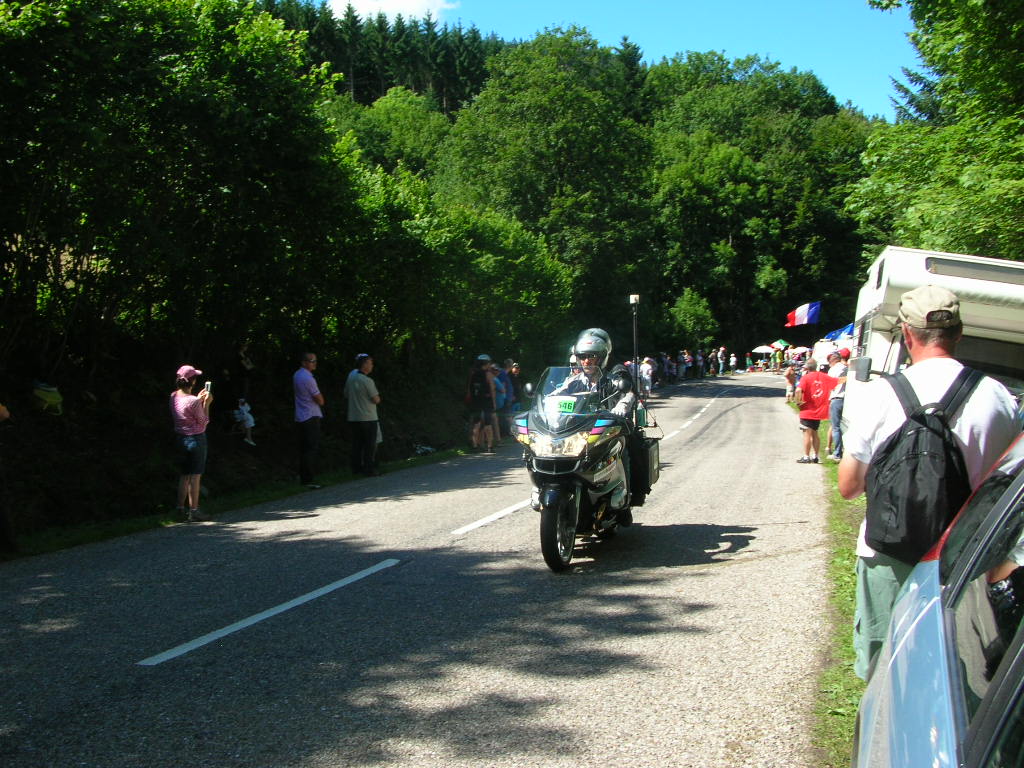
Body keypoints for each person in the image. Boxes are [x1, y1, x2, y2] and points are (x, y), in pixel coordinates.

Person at [838, 285, 1019, 680]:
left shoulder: (879, 395)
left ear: (907, 333)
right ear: (958, 333)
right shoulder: (1000, 398)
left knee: (886, 668)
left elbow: (849, 486)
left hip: (887, 551)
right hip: (964, 555)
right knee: (953, 666)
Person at [170, 364, 213, 521]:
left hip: (181, 439)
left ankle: (180, 509)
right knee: (195, 477)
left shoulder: (173, 396)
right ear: (193, 381)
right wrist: (206, 404)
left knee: (184, 475)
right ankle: (194, 510)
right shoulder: (194, 401)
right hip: (196, 439)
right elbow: (203, 422)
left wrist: (198, 400)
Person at [345, 353, 382, 476]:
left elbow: (346, 394)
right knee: (370, 445)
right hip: (368, 417)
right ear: (364, 364)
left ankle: (356, 469)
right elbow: (376, 399)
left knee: (357, 445)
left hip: (353, 417)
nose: (372, 365)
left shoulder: (351, 376)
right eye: (370, 363)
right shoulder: (367, 380)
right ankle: (369, 469)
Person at [794, 358, 835, 464]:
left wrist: (798, 402)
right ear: (816, 366)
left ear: (807, 367)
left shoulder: (806, 378)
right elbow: (835, 381)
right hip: (819, 410)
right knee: (815, 433)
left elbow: (798, 390)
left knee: (807, 433)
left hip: (807, 410)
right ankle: (816, 456)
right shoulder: (823, 376)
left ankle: (806, 456)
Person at [293, 352, 324, 489]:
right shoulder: (308, 378)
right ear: (304, 362)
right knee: (311, 448)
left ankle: (303, 476)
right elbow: (320, 399)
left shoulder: (297, 375)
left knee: (304, 448)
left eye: (315, 361)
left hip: (301, 415)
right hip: (310, 415)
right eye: (312, 361)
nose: (314, 363)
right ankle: (308, 479)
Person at [467, 354, 496, 453]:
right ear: (486, 363)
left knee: (476, 423)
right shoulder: (488, 374)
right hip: (486, 401)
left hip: (475, 401)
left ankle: (475, 446)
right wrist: (494, 402)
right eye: (489, 363)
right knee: (488, 424)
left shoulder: (473, 373)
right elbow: (492, 389)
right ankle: (490, 446)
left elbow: (469, 388)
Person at [826, 349, 850, 460]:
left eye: (829, 360)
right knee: (844, 426)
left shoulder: (833, 370)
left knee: (835, 427)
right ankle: (845, 450)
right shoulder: (847, 368)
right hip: (846, 398)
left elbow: (829, 385)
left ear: (833, 360)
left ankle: (837, 453)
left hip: (836, 398)